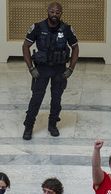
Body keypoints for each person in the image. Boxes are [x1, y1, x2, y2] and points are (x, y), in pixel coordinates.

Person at [23, 2, 78, 140]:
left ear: (61, 13)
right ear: (47, 11)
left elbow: (75, 48)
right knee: (36, 98)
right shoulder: (37, 27)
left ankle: (52, 124)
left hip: (59, 70)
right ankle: (29, 126)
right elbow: (25, 46)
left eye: (57, 12)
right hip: (41, 69)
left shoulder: (66, 29)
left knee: (56, 99)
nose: (54, 14)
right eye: (52, 11)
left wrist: (71, 68)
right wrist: (31, 68)